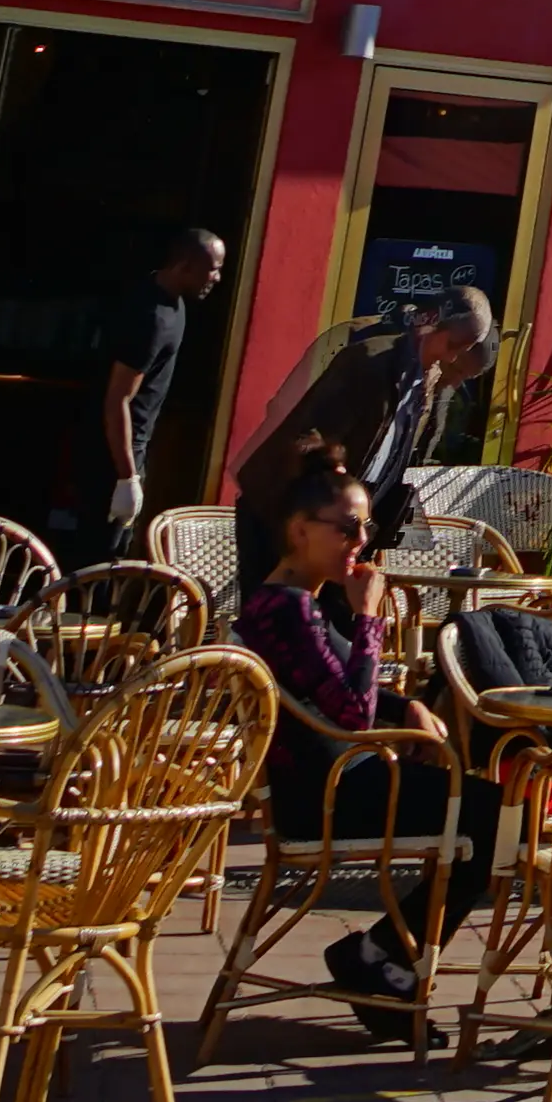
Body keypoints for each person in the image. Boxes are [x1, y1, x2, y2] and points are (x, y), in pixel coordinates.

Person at [231, 447, 463, 1044]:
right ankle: (378, 961)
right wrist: (368, 619)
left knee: (488, 811)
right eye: (348, 527)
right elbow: (352, 714)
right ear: (301, 530)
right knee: (491, 819)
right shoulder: (286, 611)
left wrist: (405, 704)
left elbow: (334, 690)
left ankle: (383, 962)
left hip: (338, 778)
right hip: (325, 795)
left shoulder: (296, 602)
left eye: (367, 525)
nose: (361, 539)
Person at [230, 282, 505, 549]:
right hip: (289, 514)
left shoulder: (426, 379)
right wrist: (329, 498)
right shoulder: (368, 359)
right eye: (454, 349)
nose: (452, 362)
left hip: (334, 523)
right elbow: (305, 434)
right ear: (431, 325)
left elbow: (388, 460)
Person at [91, 229, 226, 546]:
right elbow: (117, 400)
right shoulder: (149, 318)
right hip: (113, 460)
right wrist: (126, 477)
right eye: (213, 268)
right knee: (100, 560)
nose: (217, 278)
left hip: (132, 453)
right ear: (184, 265)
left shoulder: (172, 304)